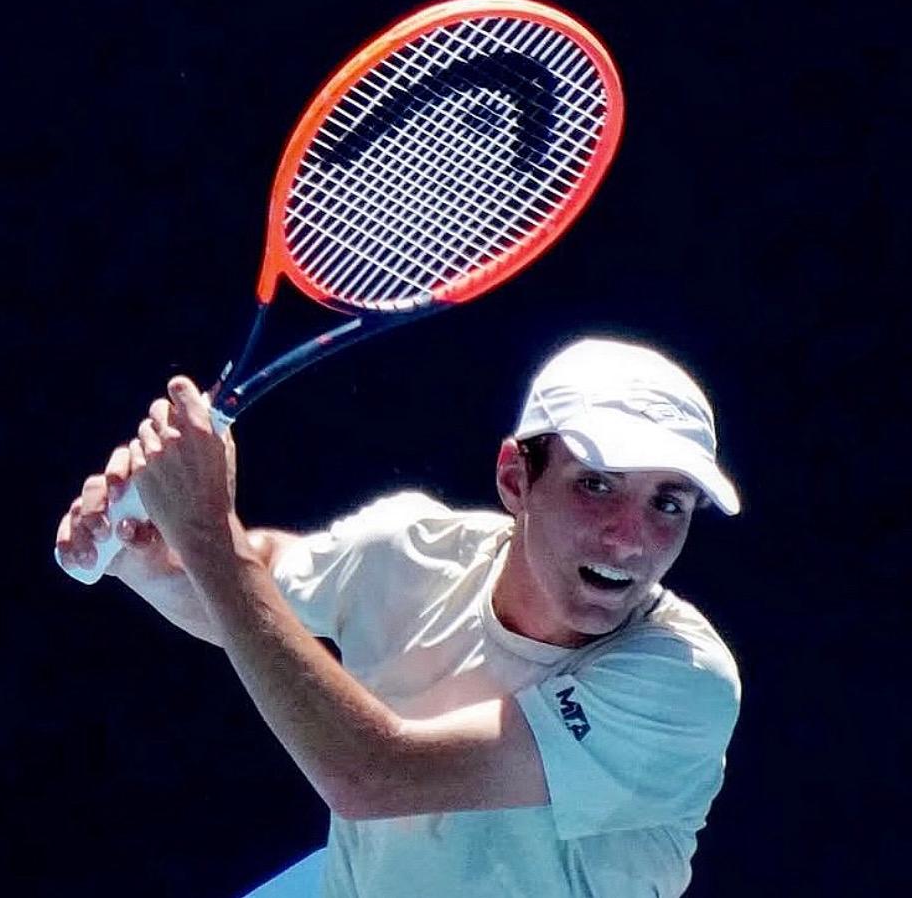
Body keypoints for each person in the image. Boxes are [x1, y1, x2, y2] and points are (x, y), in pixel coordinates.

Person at [55, 337, 742, 897]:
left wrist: (205, 532)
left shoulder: (684, 683)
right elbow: (250, 602)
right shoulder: (410, 550)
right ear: (515, 479)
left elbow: (371, 776)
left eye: (669, 503)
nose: (631, 538)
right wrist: (148, 559)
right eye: (596, 484)